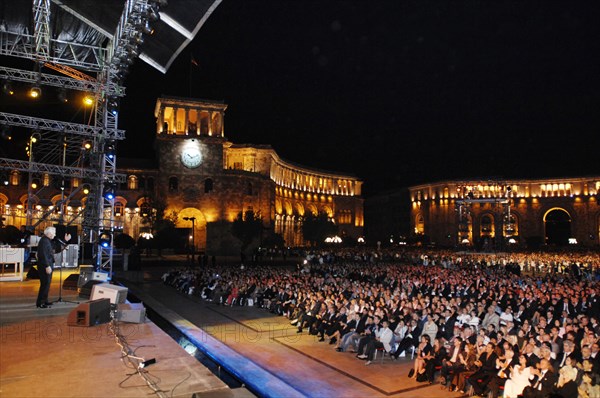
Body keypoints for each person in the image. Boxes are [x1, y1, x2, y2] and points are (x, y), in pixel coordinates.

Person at [35, 226, 70, 308]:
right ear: (49, 233)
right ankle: (41, 303)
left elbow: (55, 248)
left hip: (47, 264)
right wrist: (47, 266)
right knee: (45, 284)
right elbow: (43, 255)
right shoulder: (44, 241)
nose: (54, 235)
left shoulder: (47, 240)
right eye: (53, 233)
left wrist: (65, 241)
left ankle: (44, 300)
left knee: (46, 284)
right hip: (44, 265)